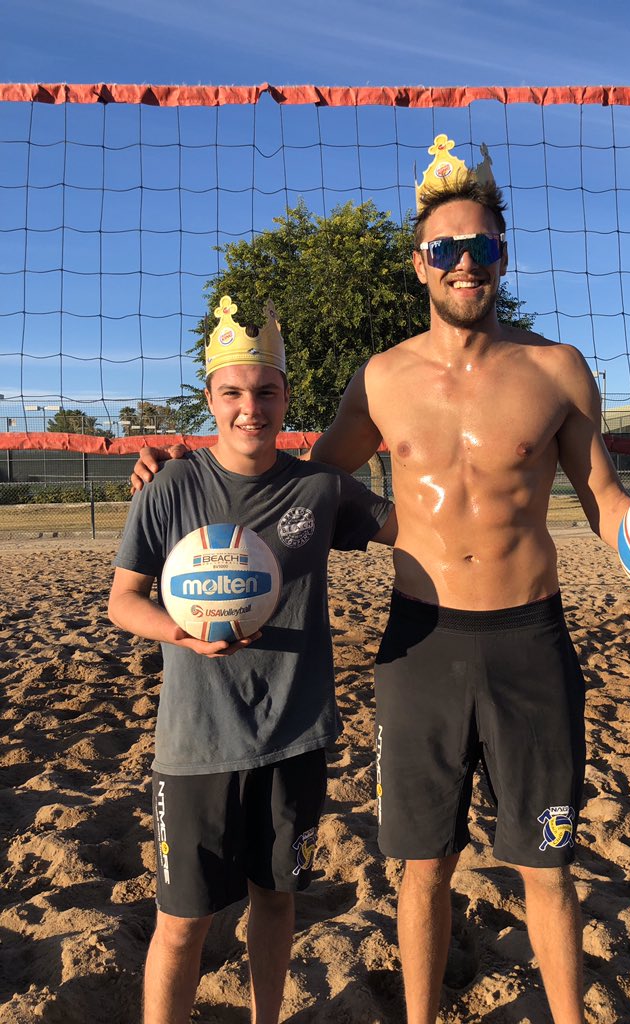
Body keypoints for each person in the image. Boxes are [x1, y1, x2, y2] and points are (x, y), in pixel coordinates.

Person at [132, 141, 630, 1024]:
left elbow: (609, 504)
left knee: (548, 866)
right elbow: (289, 485)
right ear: (420, 262)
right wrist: (176, 476)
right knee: (420, 868)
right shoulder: (381, 379)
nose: (467, 264)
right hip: (419, 645)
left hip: (529, 642)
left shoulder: (558, 370)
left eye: (484, 248)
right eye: (447, 249)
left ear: (503, 256)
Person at [110, 296, 395, 1024]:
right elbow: (124, 603)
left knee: (277, 901)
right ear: (209, 398)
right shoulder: (170, 487)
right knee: (183, 924)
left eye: (265, 391)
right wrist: (184, 635)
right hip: (196, 744)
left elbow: (415, 530)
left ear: (286, 397)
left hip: (294, 736)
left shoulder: (319, 489)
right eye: (232, 392)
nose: (250, 408)